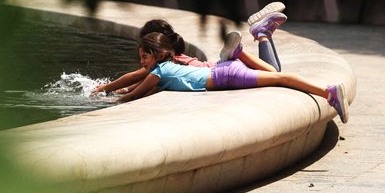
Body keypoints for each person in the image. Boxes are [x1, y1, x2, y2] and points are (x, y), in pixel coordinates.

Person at [99, 30, 349, 124]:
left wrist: (109, 99)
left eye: (145, 57)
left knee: (281, 78)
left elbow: (135, 93)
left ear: (159, 55)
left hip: (226, 76)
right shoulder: (169, 66)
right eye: (141, 57)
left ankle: (329, 92)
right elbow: (139, 85)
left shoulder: (159, 72)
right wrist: (109, 89)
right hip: (224, 70)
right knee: (276, 74)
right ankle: (239, 51)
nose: (142, 62)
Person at [92, 2, 286, 96]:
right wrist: (124, 89)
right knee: (275, 73)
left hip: (221, 70)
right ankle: (263, 34)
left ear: (157, 48)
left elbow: (136, 77)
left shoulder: (166, 62)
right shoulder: (172, 58)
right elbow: (143, 81)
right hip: (222, 67)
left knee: (275, 75)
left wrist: (106, 88)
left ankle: (260, 34)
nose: (142, 57)